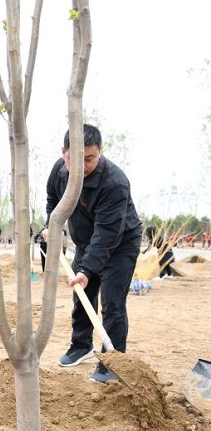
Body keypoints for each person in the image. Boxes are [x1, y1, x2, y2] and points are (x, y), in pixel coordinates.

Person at [45, 124, 143, 384]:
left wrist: (87, 270)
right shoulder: (58, 171)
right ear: (64, 152)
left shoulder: (115, 183)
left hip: (120, 244)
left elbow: (107, 234)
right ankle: (81, 346)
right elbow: (53, 201)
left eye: (89, 158)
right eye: (74, 159)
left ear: (100, 152)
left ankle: (111, 360)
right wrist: (51, 226)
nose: (82, 165)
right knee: (82, 295)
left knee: (112, 303)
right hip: (87, 243)